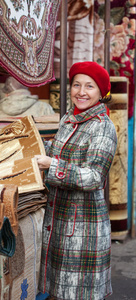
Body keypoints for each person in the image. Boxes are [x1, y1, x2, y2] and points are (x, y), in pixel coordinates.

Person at [36, 61, 117, 300]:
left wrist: (53, 165)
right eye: (76, 85)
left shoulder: (103, 127)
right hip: (59, 221)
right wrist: (39, 146)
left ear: (101, 93)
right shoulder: (69, 119)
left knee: (78, 294)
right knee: (57, 292)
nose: (81, 92)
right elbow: (62, 152)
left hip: (83, 229)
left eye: (90, 86)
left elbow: (93, 177)